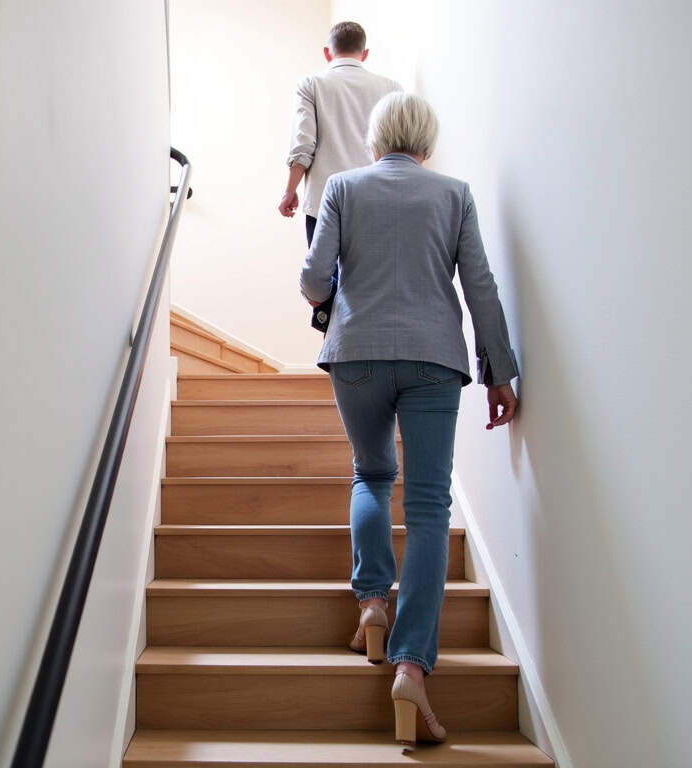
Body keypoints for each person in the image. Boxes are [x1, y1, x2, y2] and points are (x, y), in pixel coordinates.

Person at [299, 92, 520, 747]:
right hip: (433, 360)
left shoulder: (341, 187)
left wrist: (339, 287)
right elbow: (479, 285)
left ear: (373, 138)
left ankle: (372, 600)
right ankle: (411, 666)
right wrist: (499, 371)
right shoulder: (453, 193)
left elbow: (314, 281)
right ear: (426, 140)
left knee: (370, 475)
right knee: (427, 511)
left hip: (356, 355)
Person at [279, 21, 401, 248]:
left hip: (324, 203)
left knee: (323, 280)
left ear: (327, 53)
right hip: (374, 200)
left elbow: (303, 145)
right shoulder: (392, 89)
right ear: (364, 54)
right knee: (369, 280)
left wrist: (289, 191)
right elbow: (398, 150)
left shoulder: (311, 85)